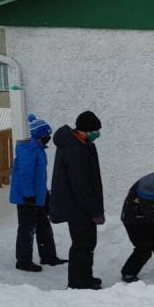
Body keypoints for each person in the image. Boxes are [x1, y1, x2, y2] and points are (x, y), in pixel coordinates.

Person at [50, 111, 105, 290]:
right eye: (95, 130)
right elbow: (81, 186)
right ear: (85, 130)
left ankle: (85, 277)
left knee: (87, 243)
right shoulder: (75, 150)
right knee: (82, 244)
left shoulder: (82, 144)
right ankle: (78, 282)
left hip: (80, 205)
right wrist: (95, 211)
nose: (98, 134)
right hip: (77, 207)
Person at [10, 113, 65, 272]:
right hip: (26, 197)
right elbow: (25, 175)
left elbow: (39, 176)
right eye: (47, 134)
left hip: (38, 196)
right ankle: (23, 261)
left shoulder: (39, 149)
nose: (49, 137)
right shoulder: (28, 150)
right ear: (41, 135)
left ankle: (48, 257)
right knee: (27, 229)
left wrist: (44, 194)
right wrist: (28, 195)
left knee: (43, 226)